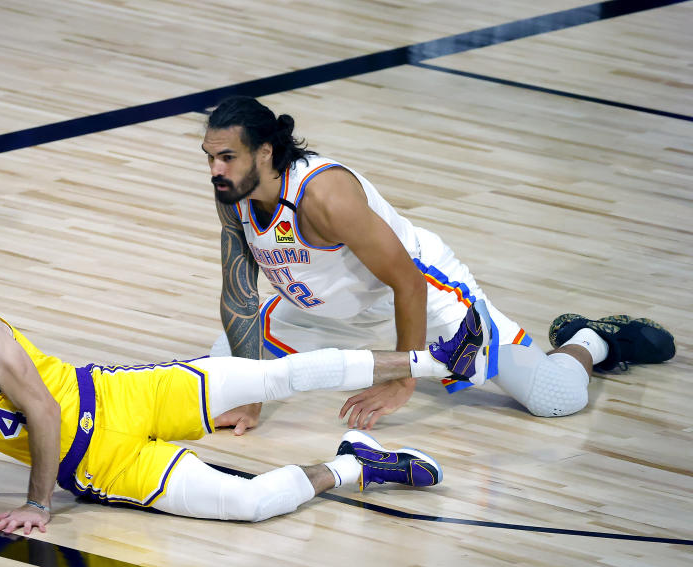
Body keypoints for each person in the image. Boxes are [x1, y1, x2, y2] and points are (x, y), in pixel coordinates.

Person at [0, 295, 491, 534]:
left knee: (275, 374)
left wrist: (38, 503)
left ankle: (436, 359)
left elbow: (37, 404)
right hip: (102, 464)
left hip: (120, 395)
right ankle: (352, 465)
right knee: (247, 507)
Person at [203, 95, 676, 434]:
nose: (215, 170)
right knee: (221, 367)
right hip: (334, 309)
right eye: (210, 158)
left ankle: (588, 340)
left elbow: (407, 282)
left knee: (554, 399)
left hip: (421, 293)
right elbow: (240, 295)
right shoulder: (235, 194)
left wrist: (402, 378)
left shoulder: (326, 197)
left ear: (265, 152)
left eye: (227, 157)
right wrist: (251, 396)